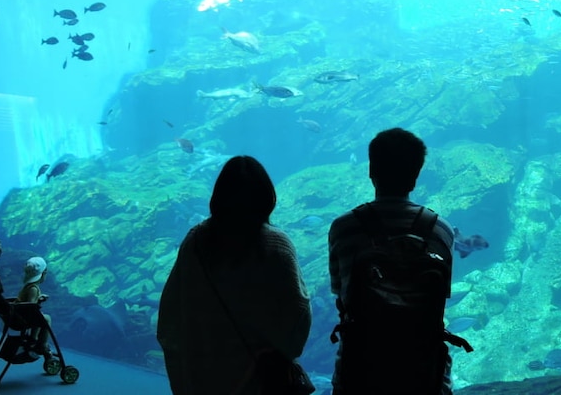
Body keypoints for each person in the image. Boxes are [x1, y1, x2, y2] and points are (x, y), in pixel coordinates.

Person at [157, 155, 312, 395]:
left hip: (201, 380)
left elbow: (170, 318)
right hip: (259, 382)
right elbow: (298, 314)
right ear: (266, 198)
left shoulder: (196, 241)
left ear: (218, 196)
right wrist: (284, 353)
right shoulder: (277, 245)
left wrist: (182, 378)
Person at [328, 128, 458, 395]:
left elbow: (341, 294)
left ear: (371, 171)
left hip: (360, 372)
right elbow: (440, 299)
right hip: (426, 373)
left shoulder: (344, 228)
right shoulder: (441, 230)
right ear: (416, 175)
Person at [16, 256, 53, 360]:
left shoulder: (28, 286)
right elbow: (30, 306)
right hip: (25, 317)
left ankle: (34, 338)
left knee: (40, 316)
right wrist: (38, 300)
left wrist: (39, 298)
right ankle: (41, 344)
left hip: (19, 314)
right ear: (43, 273)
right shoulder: (34, 288)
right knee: (47, 318)